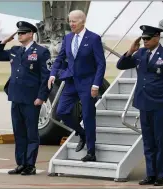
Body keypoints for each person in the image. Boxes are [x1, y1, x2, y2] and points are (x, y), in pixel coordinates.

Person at [116, 25, 163, 186]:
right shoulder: (140, 54)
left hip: (161, 105)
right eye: (143, 38)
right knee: (148, 142)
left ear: (157, 37)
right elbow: (121, 65)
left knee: (162, 142)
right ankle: (151, 174)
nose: (144, 41)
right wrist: (130, 51)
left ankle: (162, 175)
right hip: (144, 103)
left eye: (148, 38)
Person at [0, 21, 51, 175]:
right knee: (19, 133)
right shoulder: (15, 50)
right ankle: (21, 164)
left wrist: (42, 97)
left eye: (23, 33)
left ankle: (30, 165)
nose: (20, 35)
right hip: (16, 97)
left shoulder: (41, 52)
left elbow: (46, 77)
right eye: (18, 33)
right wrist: (4, 41)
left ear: (31, 34)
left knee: (31, 134)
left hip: (32, 99)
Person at [47, 10, 106, 162]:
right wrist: (53, 74)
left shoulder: (93, 38)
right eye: (70, 21)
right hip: (71, 82)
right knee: (61, 112)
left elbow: (101, 64)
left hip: (87, 83)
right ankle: (82, 133)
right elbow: (60, 59)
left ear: (82, 21)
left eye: (74, 21)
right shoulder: (68, 38)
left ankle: (91, 152)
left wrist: (96, 84)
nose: (71, 24)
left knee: (88, 116)